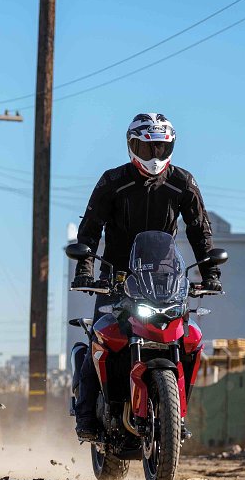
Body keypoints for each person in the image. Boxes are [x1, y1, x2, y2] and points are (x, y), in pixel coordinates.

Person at [71, 113, 221, 441]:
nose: (154, 157)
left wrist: (210, 273)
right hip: (117, 275)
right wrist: (86, 270)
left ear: (171, 147)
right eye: (146, 148)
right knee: (101, 336)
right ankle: (86, 414)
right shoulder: (113, 181)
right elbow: (91, 228)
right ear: (131, 146)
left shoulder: (183, 182)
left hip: (164, 280)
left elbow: (200, 230)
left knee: (189, 338)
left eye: (160, 148)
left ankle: (173, 413)